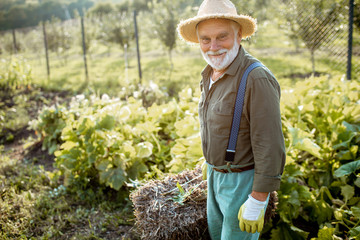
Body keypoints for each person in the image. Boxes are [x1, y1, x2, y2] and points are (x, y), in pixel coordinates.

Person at [177, 0, 286, 239]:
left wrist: (258, 200)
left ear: (238, 36)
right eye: (205, 39)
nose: (213, 46)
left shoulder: (255, 78)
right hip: (216, 177)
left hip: (242, 182)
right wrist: (211, 161)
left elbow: (270, 145)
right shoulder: (209, 74)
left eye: (222, 37)